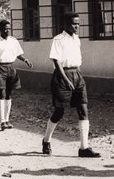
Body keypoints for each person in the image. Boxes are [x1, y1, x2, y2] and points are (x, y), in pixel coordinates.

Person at [41, 12, 101, 158]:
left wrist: (78, 77)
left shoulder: (76, 39)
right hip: (62, 77)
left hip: (77, 75)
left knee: (83, 109)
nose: (76, 26)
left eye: (78, 24)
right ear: (65, 24)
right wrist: (67, 80)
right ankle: (46, 140)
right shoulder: (58, 39)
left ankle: (84, 147)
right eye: (74, 23)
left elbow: (76, 60)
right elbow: (56, 61)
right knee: (59, 112)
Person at [0, 20, 33, 130]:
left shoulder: (13, 41)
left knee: (8, 94)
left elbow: (18, 54)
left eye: (9, 28)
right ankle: (2, 121)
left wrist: (25, 60)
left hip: (11, 68)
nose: (7, 30)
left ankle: (7, 120)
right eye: (5, 28)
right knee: (2, 93)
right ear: (0, 29)